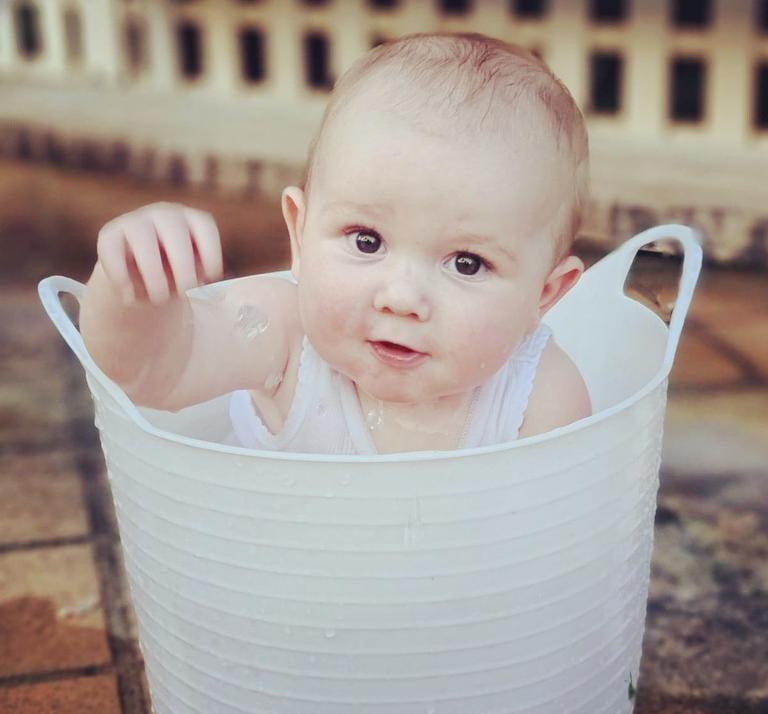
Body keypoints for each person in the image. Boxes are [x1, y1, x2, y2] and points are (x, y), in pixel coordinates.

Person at [79, 32, 592, 454]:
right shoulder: (283, 338)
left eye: (467, 263)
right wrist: (134, 296)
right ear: (299, 232)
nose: (402, 298)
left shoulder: (539, 398)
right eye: (367, 241)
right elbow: (151, 373)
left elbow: (552, 552)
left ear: (545, 295)